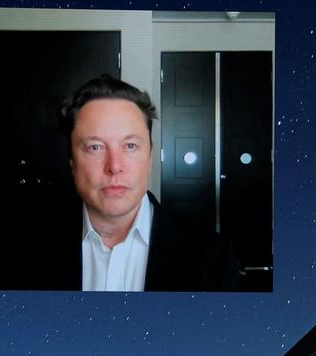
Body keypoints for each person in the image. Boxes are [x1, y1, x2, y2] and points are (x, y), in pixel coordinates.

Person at [54, 74, 241, 291]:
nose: (114, 166)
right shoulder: (21, 253)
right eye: (95, 147)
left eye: (130, 146)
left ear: (150, 156)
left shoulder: (213, 257)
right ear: (72, 162)